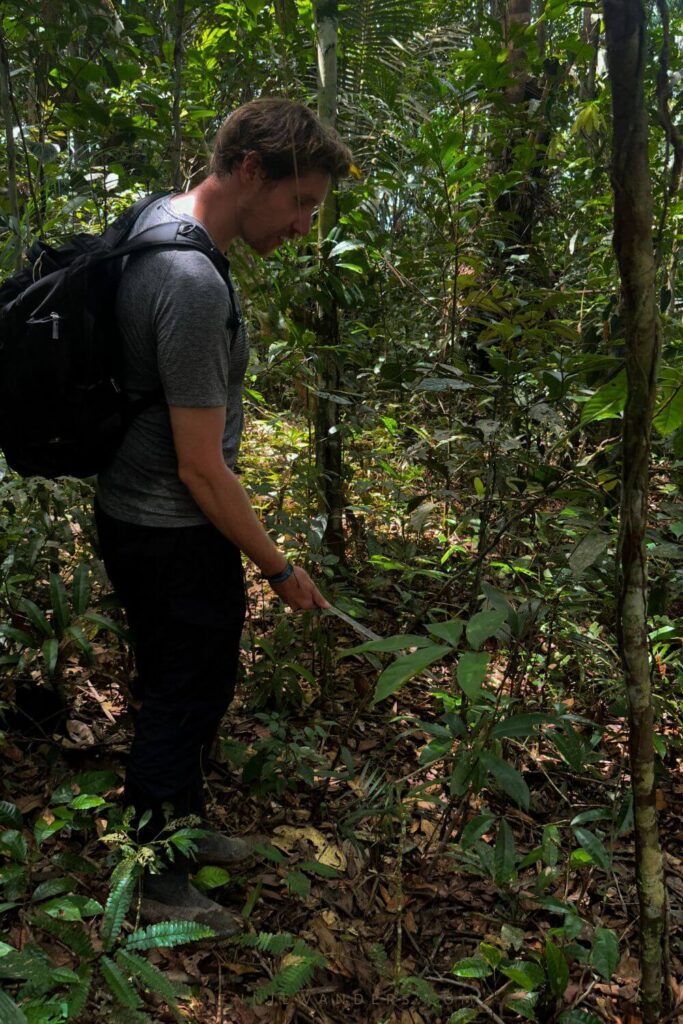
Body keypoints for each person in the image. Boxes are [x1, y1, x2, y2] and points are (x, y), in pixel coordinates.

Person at [94, 99, 352, 935]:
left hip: (138, 514)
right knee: (181, 688)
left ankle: (182, 818)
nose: (305, 224)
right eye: (300, 202)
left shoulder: (158, 219)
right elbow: (201, 467)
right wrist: (279, 567)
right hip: (167, 526)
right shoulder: (192, 281)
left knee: (194, 678)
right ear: (249, 173)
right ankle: (155, 871)